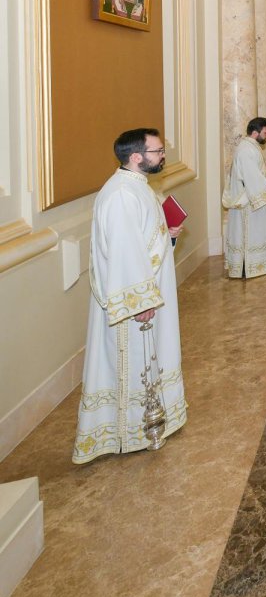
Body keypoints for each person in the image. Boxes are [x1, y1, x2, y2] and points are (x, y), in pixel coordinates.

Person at [73, 129, 187, 463]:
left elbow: (144, 239)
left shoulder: (138, 186)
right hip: (136, 302)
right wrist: (141, 303)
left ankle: (153, 418)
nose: (163, 155)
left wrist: (169, 235)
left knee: (151, 358)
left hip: (149, 291)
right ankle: (134, 429)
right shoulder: (122, 194)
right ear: (136, 157)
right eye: (158, 150)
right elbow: (124, 252)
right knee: (134, 361)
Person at [223, 117, 266, 280]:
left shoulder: (250, 147)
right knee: (249, 233)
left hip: (251, 198)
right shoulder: (246, 150)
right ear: (255, 132)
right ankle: (248, 267)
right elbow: (252, 177)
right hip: (248, 202)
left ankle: (252, 265)